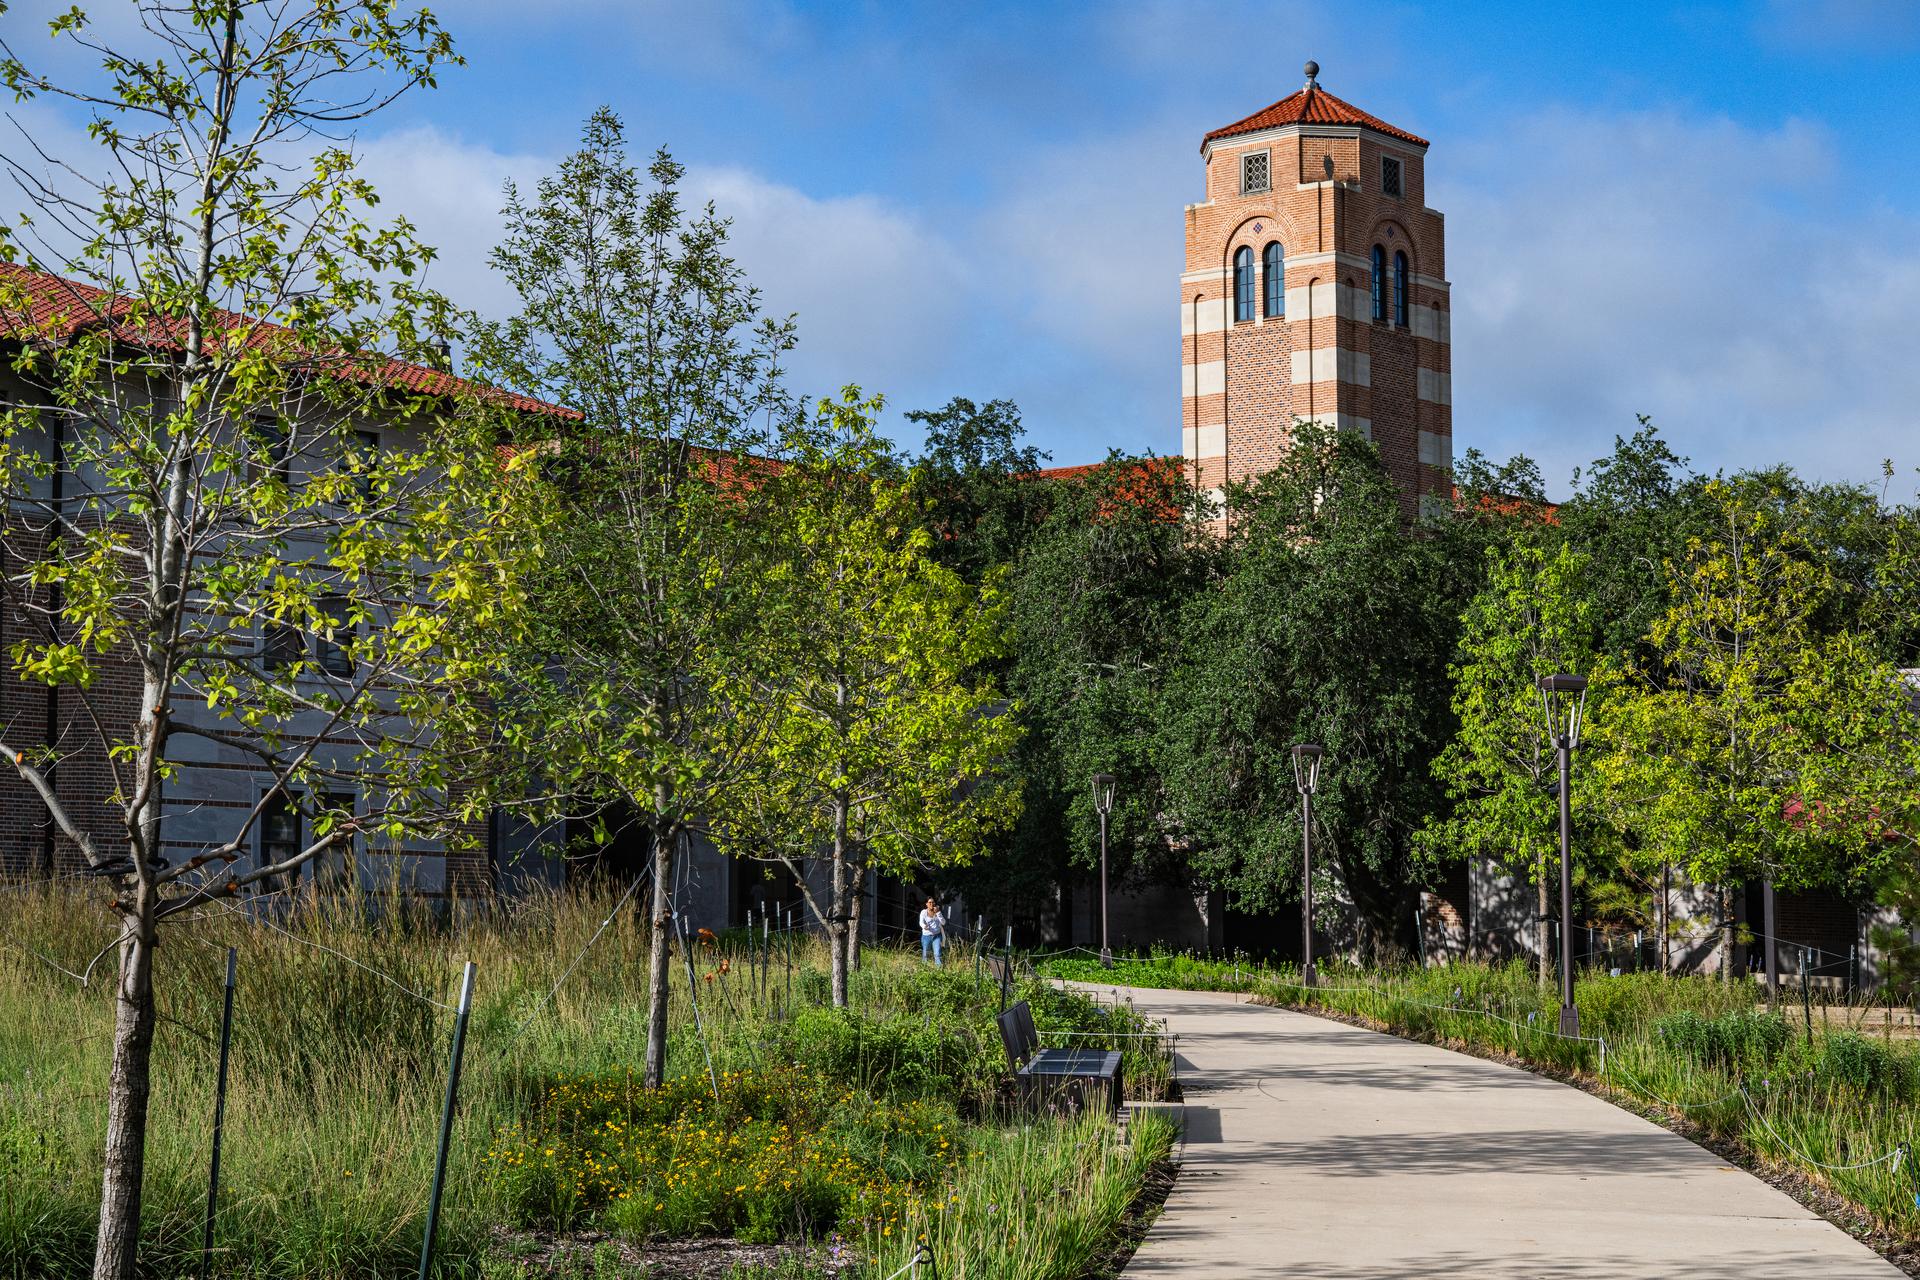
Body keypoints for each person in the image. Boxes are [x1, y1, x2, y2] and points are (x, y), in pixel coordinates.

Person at [919, 897, 946, 966]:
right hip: (926, 936)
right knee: (926, 954)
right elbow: (921, 922)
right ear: (926, 904)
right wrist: (924, 926)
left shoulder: (937, 912)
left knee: (937, 954)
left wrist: (938, 913)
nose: (931, 904)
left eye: (933, 902)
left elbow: (943, 923)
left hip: (937, 936)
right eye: (929, 902)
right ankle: (924, 970)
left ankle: (939, 970)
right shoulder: (924, 912)